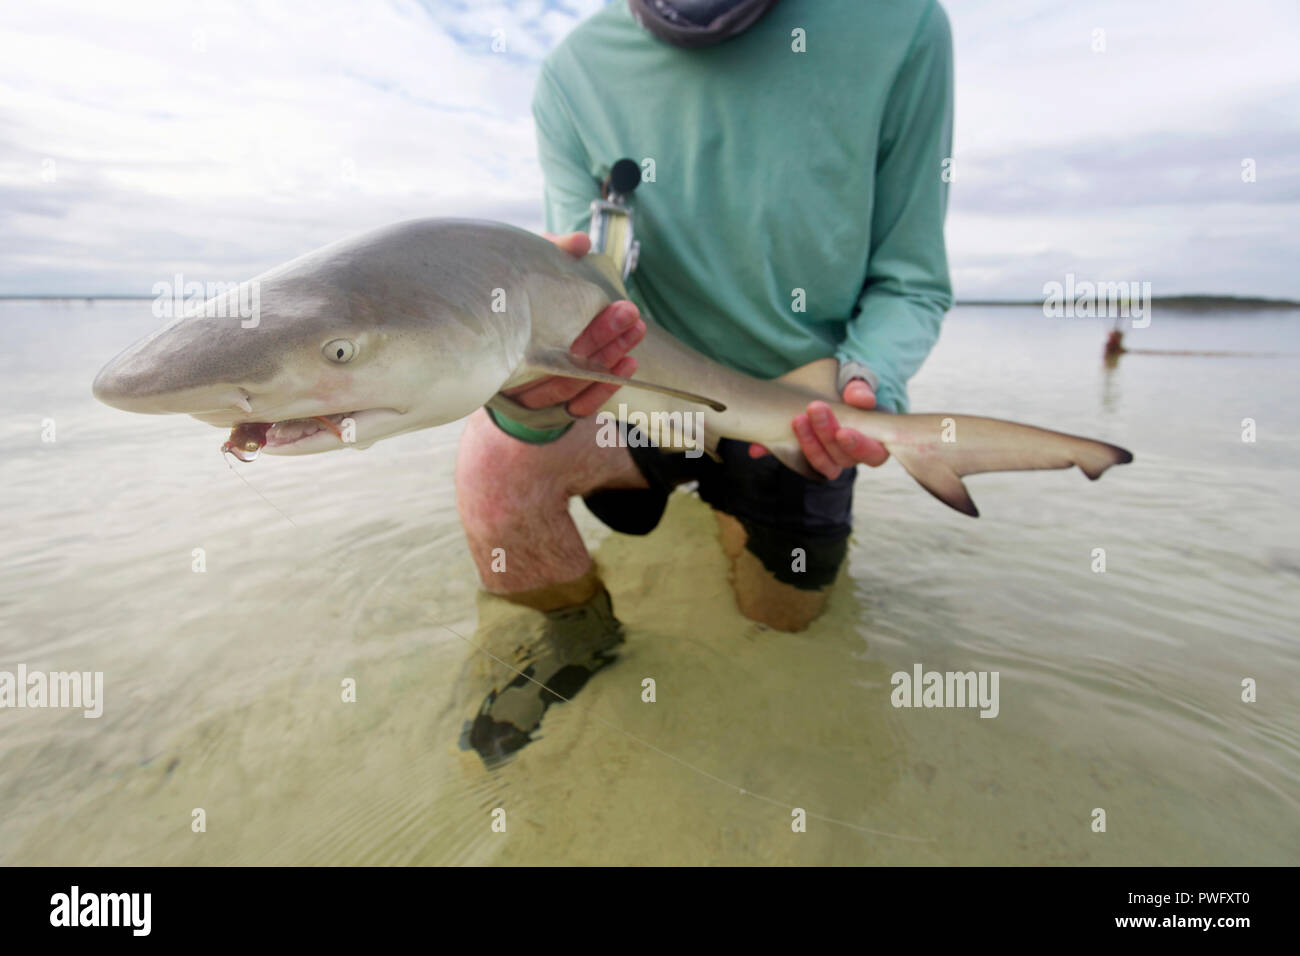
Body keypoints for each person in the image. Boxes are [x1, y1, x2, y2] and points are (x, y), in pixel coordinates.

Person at [457, 0, 954, 760]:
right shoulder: (572, 73)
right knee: (495, 467)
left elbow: (911, 279)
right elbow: (582, 288)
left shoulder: (903, 24)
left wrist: (868, 381)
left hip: (794, 407)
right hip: (641, 385)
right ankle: (581, 638)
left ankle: (734, 514)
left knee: (778, 625)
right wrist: (527, 409)